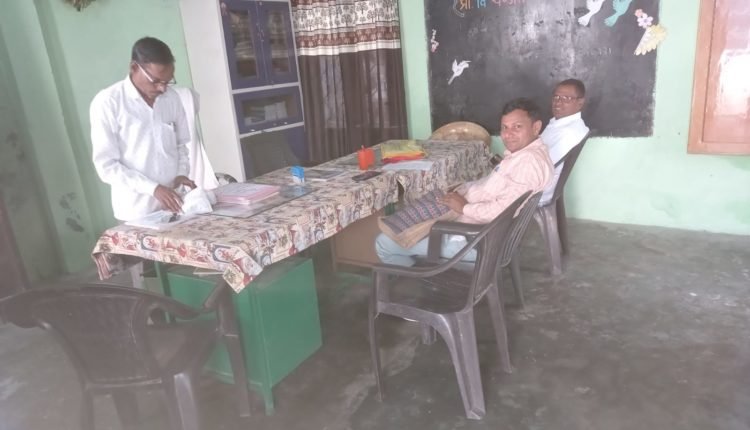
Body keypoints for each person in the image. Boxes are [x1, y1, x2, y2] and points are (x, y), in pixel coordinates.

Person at [375, 98, 554, 267]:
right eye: (504, 127)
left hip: (475, 240)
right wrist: (463, 190)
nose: (508, 134)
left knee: (383, 243)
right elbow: (498, 192)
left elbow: (503, 211)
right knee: (417, 211)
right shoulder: (528, 154)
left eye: (517, 127)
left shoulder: (528, 163)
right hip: (481, 231)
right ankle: (424, 267)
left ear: (536, 127)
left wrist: (463, 207)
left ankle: (424, 276)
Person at [90, 37, 195, 290]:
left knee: (181, 270)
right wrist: (153, 188)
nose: (162, 88)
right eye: (156, 80)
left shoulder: (171, 99)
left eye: (168, 81)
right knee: (149, 282)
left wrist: (181, 174)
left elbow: (181, 145)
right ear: (134, 68)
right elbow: (107, 166)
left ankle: (184, 309)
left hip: (175, 205)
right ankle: (154, 314)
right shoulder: (109, 102)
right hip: (137, 211)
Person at [539, 79, 590, 204]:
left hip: (536, 191)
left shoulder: (569, 132)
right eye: (556, 97)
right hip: (535, 179)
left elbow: (541, 166)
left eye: (566, 98)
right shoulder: (561, 124)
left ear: (580, 102)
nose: (558, 102)